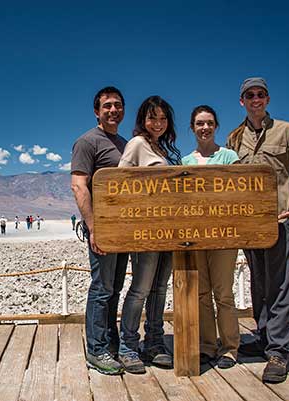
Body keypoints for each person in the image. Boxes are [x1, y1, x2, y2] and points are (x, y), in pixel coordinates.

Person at [227, 77, 289, 383]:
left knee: (279, 285)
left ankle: (278, 351)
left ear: (267, 98)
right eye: (249, 95)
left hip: (278, 221)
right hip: (249, 224)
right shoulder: (235, 138)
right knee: (259, 285)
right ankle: (264, 339)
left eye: (260, 94)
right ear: (242, 101)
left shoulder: (287, 131)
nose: (255, 99)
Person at [117, 96, 181, 374]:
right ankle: (128, 345)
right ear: (143, 120)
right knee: (141, 288)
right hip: (145, 231)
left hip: (169, 230)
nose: (158, 123)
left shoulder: (162, 150)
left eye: (163, 118)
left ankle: (154, 342)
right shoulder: (137, 145)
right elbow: (119, 183)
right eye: (153, 117)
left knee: (159, 288)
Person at [71, 86, 129, 375]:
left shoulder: (125, 144)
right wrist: (93, 228)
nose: (112, 110)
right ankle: (96, 350)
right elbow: (79, 185)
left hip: (123, 230)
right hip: (102, 229)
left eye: (117, 105)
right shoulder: (87, 142)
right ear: (97, 111)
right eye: (107, 106)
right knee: (101, 288)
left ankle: (110, 342)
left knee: (115, 289)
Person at [183, 105, 240, 369]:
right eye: (199, 123)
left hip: (224, 236)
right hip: (196, 237)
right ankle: (207, 345)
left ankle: (229, 348)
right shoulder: (185, 163)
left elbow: (240, 192)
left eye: (209, 123)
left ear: (216, 126)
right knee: (202, 293)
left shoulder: (229, 157)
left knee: (224, 293)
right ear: (192, 128)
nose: (204, 128)